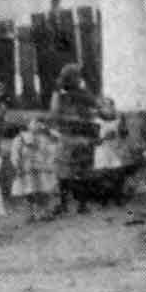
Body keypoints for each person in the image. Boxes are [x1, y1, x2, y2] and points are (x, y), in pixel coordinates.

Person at [50, 63, 99, 214]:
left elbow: (55, 115)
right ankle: (79, 204)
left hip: (72, 136)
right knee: (79, 171)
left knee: (69, 172)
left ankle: (69, 204)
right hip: (76, 135)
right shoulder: (75, 94)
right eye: (77, 76)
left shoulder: (61, 94)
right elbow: (56, 115)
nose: (79, 79)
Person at [10, 117, 58, 222]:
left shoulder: (46, 138)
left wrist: (49, 164)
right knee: (29, 192)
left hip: (42, 168)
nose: (37, 125)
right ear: (28, 125)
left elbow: (51, 152)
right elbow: (15, 153)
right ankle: (30, 214)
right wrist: (17, 166)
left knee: (44, 191)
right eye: (34, 123)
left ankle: (45, 212)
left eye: (40, 123)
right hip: (27, 168)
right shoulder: (20, 138)